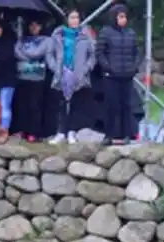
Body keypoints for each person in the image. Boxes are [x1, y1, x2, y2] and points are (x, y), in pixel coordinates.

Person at [47, 9, 95, 144]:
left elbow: (92, 55)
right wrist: (55, 68)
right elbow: (49, 54)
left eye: (76, 18)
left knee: (76, 105)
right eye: (71, 17)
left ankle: (72, 132)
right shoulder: (58, 35)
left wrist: (86, 68)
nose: (74, 20)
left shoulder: (85, 36)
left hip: (79, 75)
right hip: (62, 74)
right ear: (67, 19)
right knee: (61, 104)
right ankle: (60, 132)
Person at [96, 4, 139, 143]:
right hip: (111, 77)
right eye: (121, 16)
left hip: (127, 76)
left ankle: (127, 135)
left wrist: (134, 68)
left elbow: (137, 53)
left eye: (125, 16)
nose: (123, 19)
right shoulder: (105, 32)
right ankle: (108, 135)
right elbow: (99, 53)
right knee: (110, 106)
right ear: (114, 17)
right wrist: (107, 68)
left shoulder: (131, 33)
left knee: (126, 107)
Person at [14, 18, 50, 142]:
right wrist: (29, 56)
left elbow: (37, 53)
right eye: (31, 25)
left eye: (37, 25)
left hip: (38, 77)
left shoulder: (46, 40)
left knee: (35, 106)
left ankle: (34, 132)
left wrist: (26, 55)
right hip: (22, 76)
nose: (34, 27)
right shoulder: (22, 39)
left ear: (41, 27)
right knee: (22, 105)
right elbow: (16, 52)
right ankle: (22, 130)